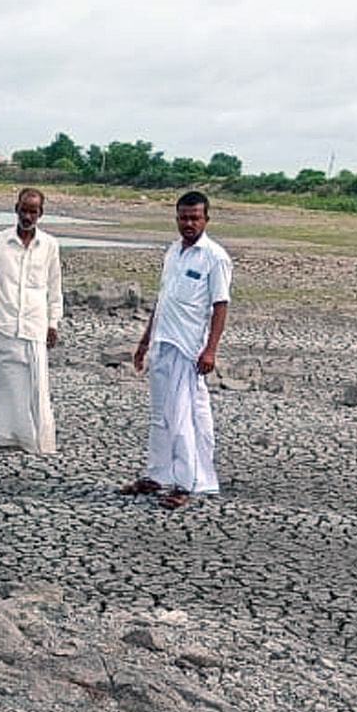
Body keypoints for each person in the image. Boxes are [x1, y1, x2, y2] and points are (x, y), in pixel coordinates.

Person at [122, 191, 231, 509]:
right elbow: (163, 300)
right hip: (162, 343)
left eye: (195, 217)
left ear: (206, 219)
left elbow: (220, 306)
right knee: (160, 416)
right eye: (184, 217)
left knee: (183, 417)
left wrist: (210, 350)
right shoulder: (173, 252)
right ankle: (157, 475)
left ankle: (185, 483)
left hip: (189, 348)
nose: (189, 223)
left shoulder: (215, 257)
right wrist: (144, 341)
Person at [0, 188, 63, 453]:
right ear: (16, 209)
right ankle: (1, 434)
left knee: (35, 386)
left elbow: (54, 287)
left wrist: (53, 323)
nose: (27, 216)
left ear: (41, 213)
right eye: (24, 210)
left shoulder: (49, 245)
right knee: (2, 383)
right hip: (2, 322)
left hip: (35, 325)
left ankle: (35, 439)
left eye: (33, 211)